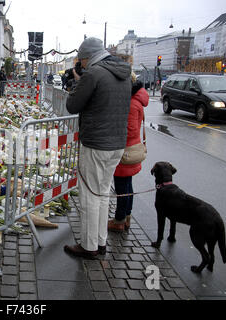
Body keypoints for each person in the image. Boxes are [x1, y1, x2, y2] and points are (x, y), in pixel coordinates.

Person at [63, 37, 132, 259]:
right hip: (116, 145)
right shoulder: (123, 74)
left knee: (89, 196)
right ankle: (100, 242)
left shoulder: (93, 73)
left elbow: (72, 104)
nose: (81, 65)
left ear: (88, 57)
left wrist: (78, 81)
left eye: (81, 60)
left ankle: (89, 246)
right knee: (102, 194)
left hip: (96, 144)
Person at [108, 73, 149, 232]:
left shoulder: (131, 103)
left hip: (125, 151)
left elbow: (130, 130)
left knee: (122, 188)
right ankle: (126, 218)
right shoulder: (137, 100)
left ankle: (119, 220)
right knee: (127, 186)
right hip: (131, 149)